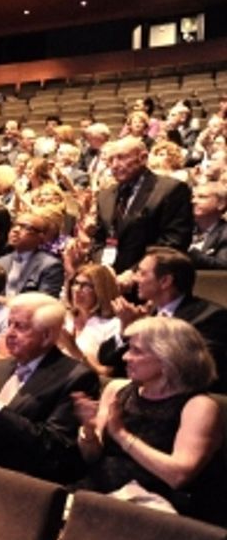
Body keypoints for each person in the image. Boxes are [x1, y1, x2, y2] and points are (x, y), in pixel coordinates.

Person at [72, 317, 225, 524]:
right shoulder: (116, 389)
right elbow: (92, 457)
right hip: (98, 489)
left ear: (168, 358)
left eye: (136, 351)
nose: (125, 357)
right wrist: (88, 432)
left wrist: (122, 435)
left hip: (154, 507)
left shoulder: (199, 406)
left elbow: (178, 476)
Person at [0, 292, 100, 483]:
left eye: (20, 326)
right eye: (9, 324)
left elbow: (54, 448)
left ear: (47, 335)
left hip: (15, 480)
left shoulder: (76, 377)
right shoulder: (1, 366)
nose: (9, 333)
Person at [98, 247, 227, 392]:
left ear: (165, 281)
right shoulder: (147, 313)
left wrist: (145, 332)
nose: (135, 278)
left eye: (142, 273)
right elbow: (106, 358)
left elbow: (195, 371)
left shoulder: (212, 317)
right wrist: (126, 328)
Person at [86, 137, 192, 275]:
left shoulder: (171, 189)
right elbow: (99, 240)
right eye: (110, 160)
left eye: (121, 158)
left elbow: (173, 242)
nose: (114, 165)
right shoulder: (105, 195)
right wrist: (105, 270)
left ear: (142, 158)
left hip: (153, 279)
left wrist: (135, 272)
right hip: (111, 278)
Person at [59, 264, 120, 372]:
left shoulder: (113, 326)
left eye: (86, 286)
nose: (77, 290)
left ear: (101, 291)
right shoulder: (63, 317)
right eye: (76, 283)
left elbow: (107, 373)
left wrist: (75, 351)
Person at [0, 210, 65, 297]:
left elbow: (45, 301)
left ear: (41, 237)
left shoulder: (50, 265)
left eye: (26, 228)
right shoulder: (1, 262)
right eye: (14, 225)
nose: (16, 230)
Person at [188, 182, 227, 270]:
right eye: (193, 197)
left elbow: (223, 264)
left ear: (221, 204)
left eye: (202, 197)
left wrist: (189, 251)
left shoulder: (225, 233)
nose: (193, 201)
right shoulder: (184, 228)